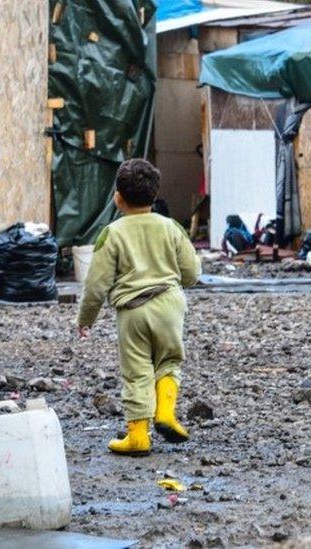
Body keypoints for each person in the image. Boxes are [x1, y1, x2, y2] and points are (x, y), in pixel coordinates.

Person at [76, 159, 201, 456]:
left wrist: (86, 318)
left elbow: (96, 285)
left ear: (117, 197)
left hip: (132, 311)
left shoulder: (113, 233)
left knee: (136, 371)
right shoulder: (171, 227)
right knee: (169, 361)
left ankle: (137, 435)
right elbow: (192, 273)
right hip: (169, 305)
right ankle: (167, 413)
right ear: (156, 195)